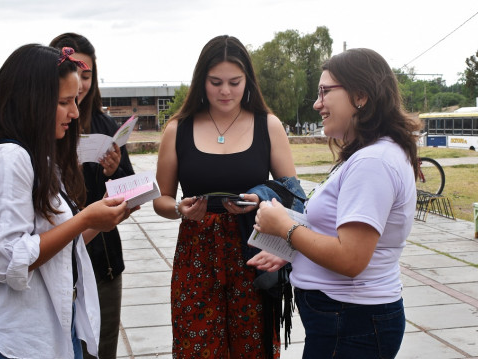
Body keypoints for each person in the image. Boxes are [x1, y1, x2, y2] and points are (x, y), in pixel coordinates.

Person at [0, 44, 135, 359]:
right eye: (65, 102)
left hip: (48, 335)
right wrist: (84, 219)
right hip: (14, 341)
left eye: (75, 100)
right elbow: (9, 261)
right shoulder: (8, 159)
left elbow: (57, 245)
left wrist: (98, 220)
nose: (75, 113)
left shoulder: (37, 157)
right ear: (32, 103)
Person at [248, 48, 422, 358]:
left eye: (325, 92)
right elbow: (341, 236)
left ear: (360, 95)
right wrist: (293, 251)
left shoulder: (373, 162)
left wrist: (285, 228)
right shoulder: (372, 154)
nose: (317, 104)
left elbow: (350, 259)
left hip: (351, 322)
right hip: (349, 318)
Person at [153, 35, 297, 358]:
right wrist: (179, 208)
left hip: (253, 250)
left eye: (235, 82)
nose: (225, 91)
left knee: (254, 349)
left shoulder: (268, 125)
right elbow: (160, 199)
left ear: (248, 81)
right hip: (196, 254)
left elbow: (293, 197)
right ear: (201, 81)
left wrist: (260, 201)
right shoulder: (178, 128)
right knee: (197, 349)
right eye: (215, 82)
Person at [50, 32, 135, 359]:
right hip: (55, 262)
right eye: (75, 74)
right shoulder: (41, 129)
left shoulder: (105, 124)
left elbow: (129, 191)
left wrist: (115, 171)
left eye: (87, 76)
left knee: (100, 351)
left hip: (103, 262)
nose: (80, 85)